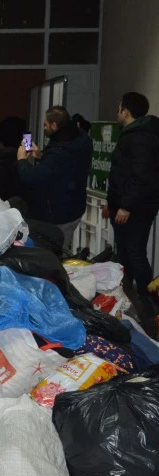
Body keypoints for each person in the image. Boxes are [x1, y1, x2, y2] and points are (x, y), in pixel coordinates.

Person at [104, 92, 159, 326]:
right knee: (126, 252)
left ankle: (148, 304)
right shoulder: (132, 134)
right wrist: (112, 203)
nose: (117, 111)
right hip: (125, 205)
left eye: (119, 107)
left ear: (126, 111)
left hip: (136, 208)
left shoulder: (140, 138)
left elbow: (139, 176)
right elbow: (121, 174)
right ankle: (126, 297)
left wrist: (125, 206)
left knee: (134, 253)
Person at [16, 106, 92, 252]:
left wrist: (21, 160)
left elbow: (30, 177)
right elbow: (60, 169)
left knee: (54, 253)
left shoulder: (59, 152)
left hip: (58, 212)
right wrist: (41, 155)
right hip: (74, 206)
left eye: (46, 125)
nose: (44, 128)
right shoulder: (80, 139)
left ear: (54, 125)